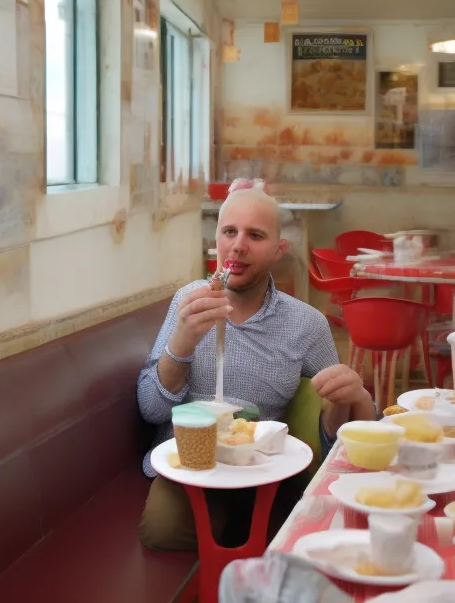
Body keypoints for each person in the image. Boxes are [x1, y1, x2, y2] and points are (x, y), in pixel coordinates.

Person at [137, 187, 375, 550]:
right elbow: (151, 409)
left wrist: (352, 395)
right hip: (190, 464)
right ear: (216, 239)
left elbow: (337, 437)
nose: (238, 246)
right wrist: (183, 340)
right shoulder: (189, 302)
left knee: (293, 544)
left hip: (265, 470)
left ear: (280, 249)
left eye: (256, 235)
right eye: (230, 232)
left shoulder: (306, 324)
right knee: (162, 531)